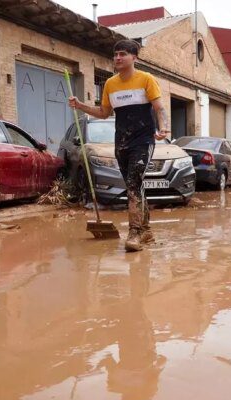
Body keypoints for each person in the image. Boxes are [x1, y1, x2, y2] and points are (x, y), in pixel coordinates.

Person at [68, 40, 170, 252]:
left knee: (133, 184)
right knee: (136, 186)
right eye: (115, 55)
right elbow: (104, 113)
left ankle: (134, 233)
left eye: (122, 54)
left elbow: (159, 108)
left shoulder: (146, 79)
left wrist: (163, 128)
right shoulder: (110, 84)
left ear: (135, 57)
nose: (117, 58)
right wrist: (80, 105)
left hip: (143, 141)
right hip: (121, 142)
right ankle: (147, 230)